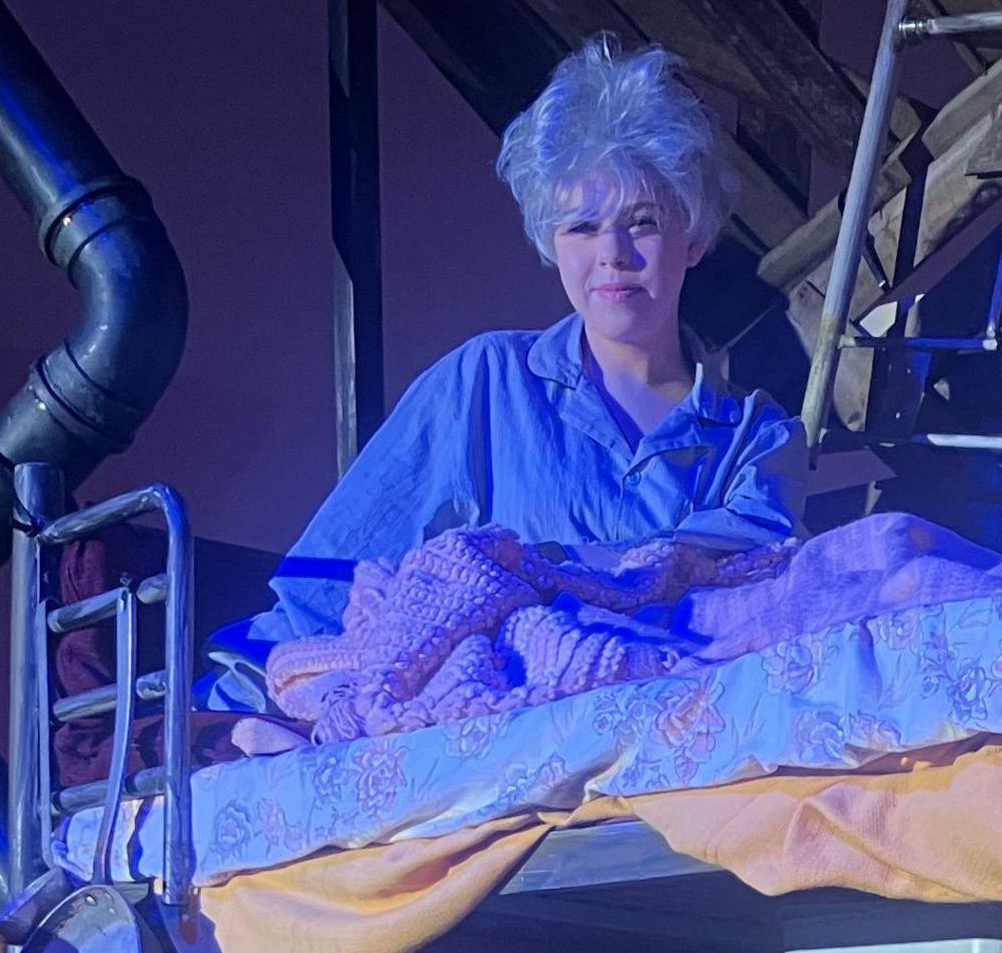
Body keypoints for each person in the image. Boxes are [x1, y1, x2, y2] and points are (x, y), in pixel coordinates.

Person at [253, 38, 801, 648]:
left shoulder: (759, 440)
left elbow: (752, 603)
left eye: (642, 222)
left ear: (694, 238)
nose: (613, 256)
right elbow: (318, 594)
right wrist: (223, 711)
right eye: (583, 227)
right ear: (552, 243)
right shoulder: (483, 382)